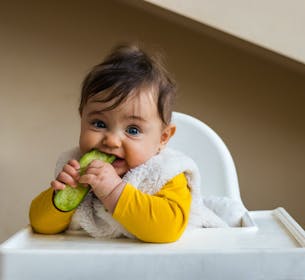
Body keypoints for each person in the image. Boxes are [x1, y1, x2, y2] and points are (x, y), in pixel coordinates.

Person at [29, 44, 229, 243]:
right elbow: (40, 225)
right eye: (99, 124)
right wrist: (59, 198)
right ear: (82, 119)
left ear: (163, 139)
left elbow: (168, 229)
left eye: (133, 130)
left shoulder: (165, 173)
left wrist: (114, 192)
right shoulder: (77, 168)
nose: (112, 140)